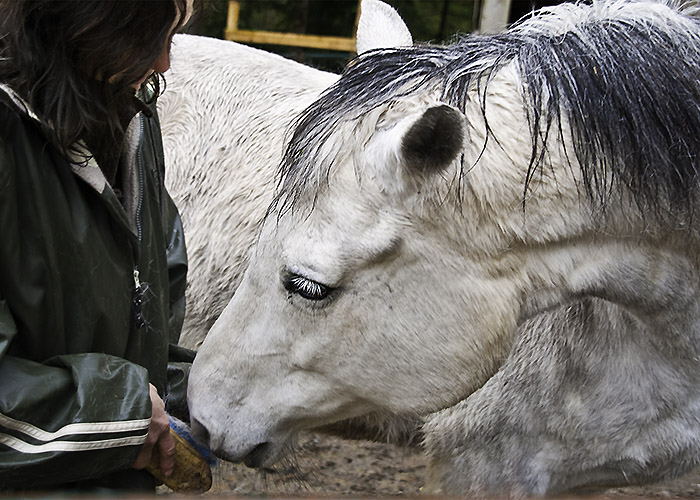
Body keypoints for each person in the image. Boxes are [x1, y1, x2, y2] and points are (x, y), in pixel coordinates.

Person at [0, 0, 196, 492]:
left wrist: (196, 389)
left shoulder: (130, 116)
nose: (163, 65)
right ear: (82, 21)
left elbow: (151, 294)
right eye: (149, 37)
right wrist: (124, 414)